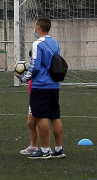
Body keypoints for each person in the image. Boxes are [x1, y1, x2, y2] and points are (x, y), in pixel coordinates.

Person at [23, 17, 64, 159]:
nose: (34, 29)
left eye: (35, 26)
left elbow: (35, 66)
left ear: (38, 27)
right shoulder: (55, 42)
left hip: (40, 85)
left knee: (41, 117)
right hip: (54, 85)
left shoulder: (37, 44)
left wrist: (25, 78)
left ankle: (45, 150)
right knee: (55, 117)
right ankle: (59, 149)